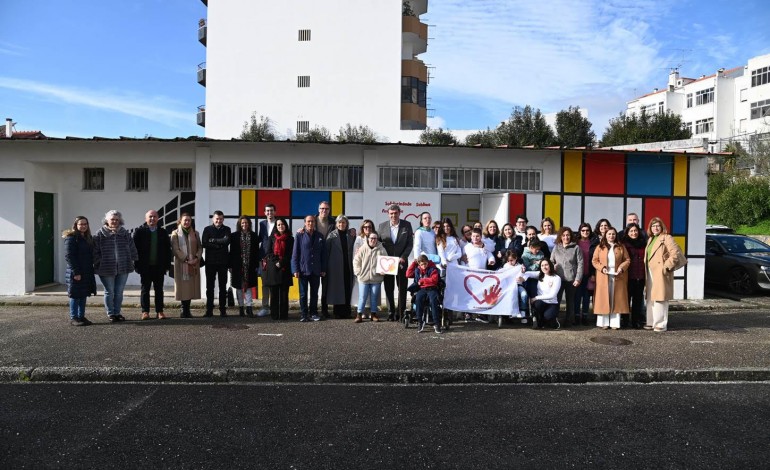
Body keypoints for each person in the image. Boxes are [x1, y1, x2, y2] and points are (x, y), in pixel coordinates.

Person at [93, 210, 137, 323]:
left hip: (123, 267)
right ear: (107, 220)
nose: (115, 221)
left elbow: (132, 248)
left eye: (117, 219)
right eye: (112, 219)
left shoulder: (124, 233)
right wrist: (99, 262)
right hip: (106, 268)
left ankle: (117, 312)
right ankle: (111, 313)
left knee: (119, 292)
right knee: (109, 291)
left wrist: (132, 259)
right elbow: (94, 251)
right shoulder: (100, 234)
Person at [645, 217, 686, 332]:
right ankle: (651, 321)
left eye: (658, 225)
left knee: (660, 298)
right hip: (650, 271)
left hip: (660, 272)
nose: (655, 228)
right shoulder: (651, 239)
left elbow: (675, 253)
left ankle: (661, 324)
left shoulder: (667, 237)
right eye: (653, 226)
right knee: (650, 297)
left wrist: (666, 267)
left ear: (662, 226)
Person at [133, 210, 171, 321]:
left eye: (154, 217)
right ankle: (145, 311)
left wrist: (167, 265)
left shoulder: (163, 232)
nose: (152, 219)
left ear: (158, 218)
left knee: (159, 290)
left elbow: (168, 250)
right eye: (150, 217)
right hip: (145, 267)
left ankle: (160, 311)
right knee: (145, 289)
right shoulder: (139, 232)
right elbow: (135, 250)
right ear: (146, 219)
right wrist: (137, 265)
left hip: (159, 267)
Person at [377, 204, 413, 322]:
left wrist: (403, 257)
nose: (393, 215)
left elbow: (409, 244)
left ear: (399, 213)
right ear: (388, 214)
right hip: (387, 263)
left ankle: (401, 312)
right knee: (388, 288)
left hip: (401, 262)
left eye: (395, 213)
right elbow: (378, 244)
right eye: (391, 213)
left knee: (402, 288)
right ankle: (391, 312)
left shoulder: (406, 225)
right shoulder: (382, 227)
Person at [592, 227, 631, 330]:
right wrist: (602, 268)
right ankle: (603, 322)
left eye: (613, 234)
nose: (611, 236)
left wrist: (621, 268)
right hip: (604, 275)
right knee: (604, 299)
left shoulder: (621, 247)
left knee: (616, 298)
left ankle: (615, 323)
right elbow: (594, 261)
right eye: (609, 234)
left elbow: (627, 260)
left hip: (618, 276)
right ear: (605, 235)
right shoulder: (600, 247)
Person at [62, 216, 97, 326]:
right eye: (80, 224)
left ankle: (81, 316)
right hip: (76, 272)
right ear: (76, 225)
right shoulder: (71, 238)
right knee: (75, 295)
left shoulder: (88, 238)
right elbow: (69, 256)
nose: (83, 226)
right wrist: (76, 272)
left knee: (83, 294)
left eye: (85, 224)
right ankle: (74, 318)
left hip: (86, 271)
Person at [292, 215, 327, 322]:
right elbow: (295, 254)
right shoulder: (299, 235)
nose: (310, 223)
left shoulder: (320, 236)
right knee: (303, 294)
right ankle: (303, 314)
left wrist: (323, 269)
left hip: (316, 270)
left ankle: (314, 313)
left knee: (314, 294)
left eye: (312, 221)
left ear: (315, 223)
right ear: (304, 223)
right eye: (308, 221)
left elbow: (323, 255)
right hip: (303, 270)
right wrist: (295, 269)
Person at [171, 213, 203, 318]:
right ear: (180, 221)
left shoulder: (195, 233)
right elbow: (175, 249)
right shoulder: (175, 233)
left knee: (190, 287)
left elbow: (200, 248)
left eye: (189, 220)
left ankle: (187, 310)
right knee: (183, 287)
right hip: (181, 265)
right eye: (185, 220)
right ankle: (183, 309)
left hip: (193, 264)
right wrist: (185, 259)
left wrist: (196, 258)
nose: (187, 222)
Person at [550, 226, 583, 327]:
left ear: (571, 236)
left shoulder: (576, 248)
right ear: (560, 236)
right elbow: (551, 261)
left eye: (568, 235)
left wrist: (578, 279)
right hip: (558, 279)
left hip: (571, 279)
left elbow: (580, 264)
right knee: (557, 300)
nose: (566, 237)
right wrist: (553, 268)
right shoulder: (556, 247)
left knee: (570, 301)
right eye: (563, 235)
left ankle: (569, 321)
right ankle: (554, 320)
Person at [352, 230, 387, 323]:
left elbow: (385, 261)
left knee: (374, 297)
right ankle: (359, 314)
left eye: (375, 238)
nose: (373, 240)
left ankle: (374, 314)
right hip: (363, 278)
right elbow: (356, 261)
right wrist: (358, 272)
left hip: (376, 278)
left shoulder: (381, 249)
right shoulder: (362, 249)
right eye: (371, 238)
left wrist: (384, 271)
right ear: (368, 239)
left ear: (377, 239)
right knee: (362, 297)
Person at [202, 210, 231, 317]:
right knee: (210, 287)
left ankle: (223, 310)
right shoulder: (207, 229)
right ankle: (209, 310)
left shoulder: (227, 229)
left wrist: (213, 240)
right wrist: (219, 244)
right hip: (210, 262)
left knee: (222, 287)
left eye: (220, 219)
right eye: (217, 219)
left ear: (223, 219)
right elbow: (205, 243)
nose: (218, 220)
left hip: (223, 262)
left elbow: (227, 241)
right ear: (213, 219)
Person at [263, 218, 294, 320]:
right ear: (276, 227)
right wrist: (276, 262)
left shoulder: (290, 238)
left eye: (282, 224)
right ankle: (274, 315)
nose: (281, 226)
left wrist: (281, 262)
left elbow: (290, 254)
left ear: (285, 225)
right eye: (278, 225)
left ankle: (284, 315)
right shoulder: (272, 238)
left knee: (284, 294)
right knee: (274, 294)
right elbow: (268, 252)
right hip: (273, 268)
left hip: (285, 268)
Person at [229, 216, 259, 317]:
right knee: (238, 287)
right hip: (237, 266)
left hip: (250, 266)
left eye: (246, 223)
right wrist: (230, 265)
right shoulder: (234, 236)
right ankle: (241, 308)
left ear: (249, 224)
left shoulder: (254, 236)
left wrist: (256, 265)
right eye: (242, 223)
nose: (244, 225)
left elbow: (256, 252)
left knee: (249, 287)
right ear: (239, 224)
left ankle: (249, 308)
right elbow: (231, 252)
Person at [326, 214, 355, 319]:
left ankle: (347, 312)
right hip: (335, 266)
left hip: (348, 266)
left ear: (346, 224)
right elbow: (327, 252)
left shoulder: (351, 235)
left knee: (347, 288)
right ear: (336, 224)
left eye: (343, 222)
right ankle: (337, 312)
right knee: (337, 289)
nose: (341, 224)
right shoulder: (331, 236)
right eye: (339, 222)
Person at [520, 259, 562, 329]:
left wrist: (536, 298)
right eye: (542, 265)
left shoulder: (557, 278)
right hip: (541, 303)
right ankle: (539, 319)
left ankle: (552, 320)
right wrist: (523, 278)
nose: (544, 267)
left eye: (546, 265)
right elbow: (528, 273)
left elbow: (552, 295)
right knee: (537, 304)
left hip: (552, 303)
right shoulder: (540, 274)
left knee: (548, 317)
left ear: (550, 266)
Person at [406, 254, 443, 334]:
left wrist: (422, 281)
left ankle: (436, 323)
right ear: (419, 264)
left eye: (425, 264)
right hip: (422, 289)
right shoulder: (417, 270)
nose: (423, 266)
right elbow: (408, 274)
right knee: (418, 299)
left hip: (432, 288)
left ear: (428, 262)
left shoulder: (433, 269)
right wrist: (413, 263)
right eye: (421, 264)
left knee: (433, 302)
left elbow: (434, 280)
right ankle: (420, 321)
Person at [622, 222, 646, 329]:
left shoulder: (643, 243)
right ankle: (625, 321)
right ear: (627, 233)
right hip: (628, 277)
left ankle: (636, 321)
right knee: (626, 300)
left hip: (640, 276)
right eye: (631, 231)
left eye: (635, 230)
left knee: (637, 300)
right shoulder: (624, 244)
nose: (634, 233)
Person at [315, 201, 335, 318]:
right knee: (314, 286)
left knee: (325, 287)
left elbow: (343, 227)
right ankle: (313, 309)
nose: (324, 211)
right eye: (322, 208)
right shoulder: (312, 219)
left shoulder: (333, 222)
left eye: (327, 209)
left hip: (327, 258)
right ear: (318, 209)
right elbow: (305, 231)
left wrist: (352, 230)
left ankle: (324, 309)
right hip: (314, 258)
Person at [257, 203, 278, 317]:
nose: (269, 213)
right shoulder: (262, 224)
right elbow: (261, 239)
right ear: (265, 213)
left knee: (274, 283)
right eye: (267, 211)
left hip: (275, 258)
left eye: (271, 211)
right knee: (264, 283)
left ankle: (274, 307)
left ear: (275, 212)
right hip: (264, 257)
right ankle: (265, 307)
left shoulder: (279, 223)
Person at [574, 222, 596, 326]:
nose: (585, 232)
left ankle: (585, 316)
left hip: (589, 273)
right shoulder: (575, 243)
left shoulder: (593, 243)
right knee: (577, 296)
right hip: (578, 274)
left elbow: (595, 259)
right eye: (583, 230)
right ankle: (577, 316)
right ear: (580, 231)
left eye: (587, 230)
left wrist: (593, 274)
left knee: (587, 297)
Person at [499, 250, 528, 319]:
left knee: (524, 294)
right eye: (508, 260)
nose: (510, 262)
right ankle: (512, 311)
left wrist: (522, 272)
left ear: (516, 258)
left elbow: (523, 276)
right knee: (511, 295)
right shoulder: (506, 266)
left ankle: (523, 311)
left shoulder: (520, 266)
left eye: (511, 260)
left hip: (518, 285)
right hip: (509, 286)